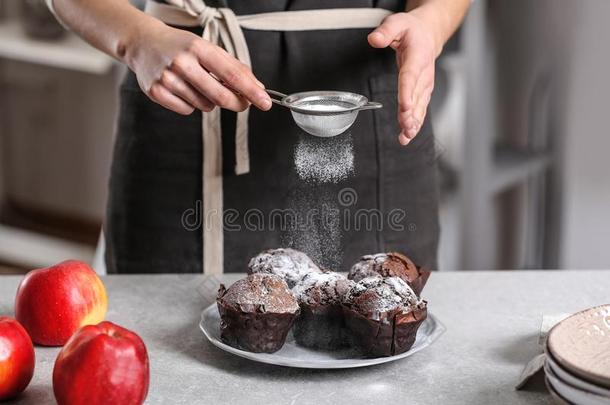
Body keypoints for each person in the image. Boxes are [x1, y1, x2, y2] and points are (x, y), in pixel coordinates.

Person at [47, 0, 470, 274]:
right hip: (186, 109)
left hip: (370, 109)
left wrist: (429, 23)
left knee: (383, 343)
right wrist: (136, 39)